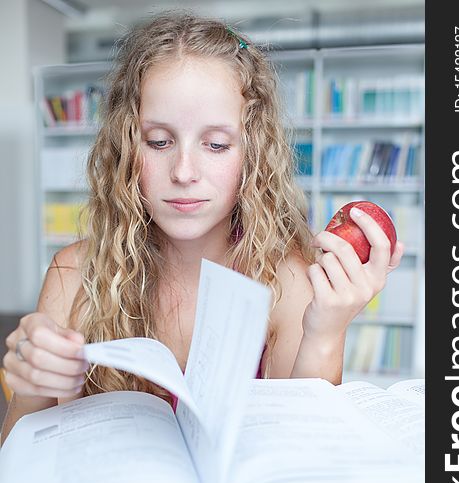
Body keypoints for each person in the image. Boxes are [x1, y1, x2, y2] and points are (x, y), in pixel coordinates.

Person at [1, 12, 403, 444]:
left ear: (252, 152)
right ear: (124, 146)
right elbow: (17, 461)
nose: (184, 171)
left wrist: (326, 329)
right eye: (158, 141)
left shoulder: (288, 279)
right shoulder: (74, 275)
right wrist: (31, 387)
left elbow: (305, 454)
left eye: (215, 144)